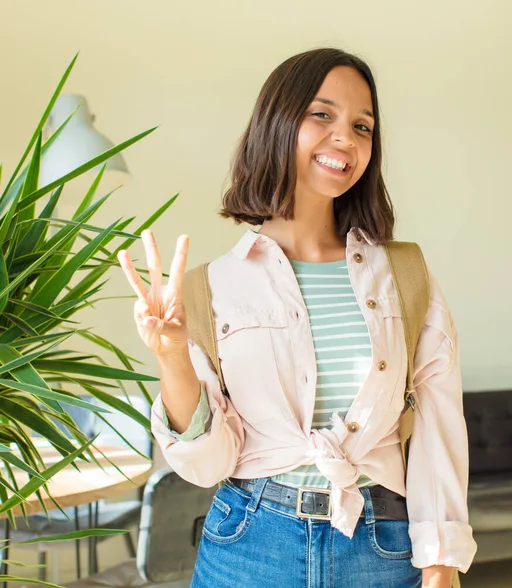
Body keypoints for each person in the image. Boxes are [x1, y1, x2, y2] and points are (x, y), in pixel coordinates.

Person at [118, 47, 477, 588]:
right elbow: (209, 464)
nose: (346, 138)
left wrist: (441, 561)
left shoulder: (403, 275)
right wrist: (171, 357)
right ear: (277, 123)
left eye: (362, 126)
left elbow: (438, 427)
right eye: (322, 114)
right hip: (248, 541)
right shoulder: (211, 288)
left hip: (382, 543)